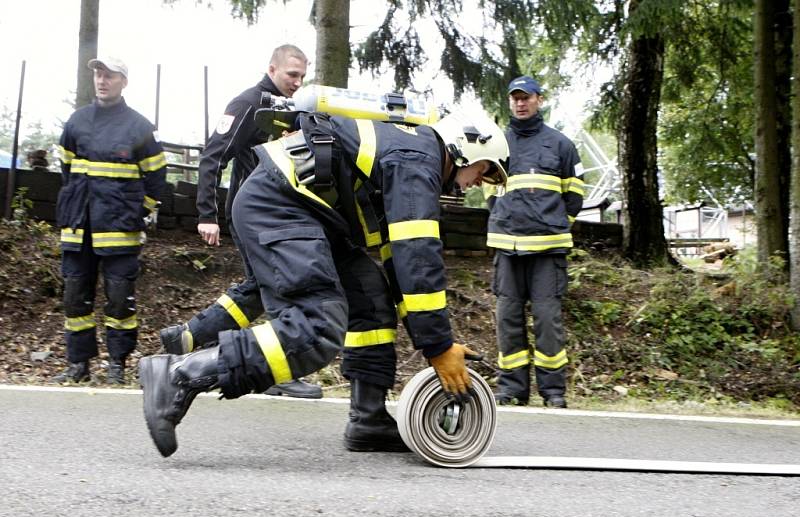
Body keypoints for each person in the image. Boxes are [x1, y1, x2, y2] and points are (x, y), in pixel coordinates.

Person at [138, 108, 510, 458]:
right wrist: (438, 345)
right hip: (279, 204)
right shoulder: (418, 161)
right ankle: (180, 375)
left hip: (305, 212)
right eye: (484, 170)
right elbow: (418, 255)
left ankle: (369, 419)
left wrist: (433, 342)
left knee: (370, 298)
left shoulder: (409, 155)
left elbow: (400, 266)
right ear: (467, 146)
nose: (479, 182)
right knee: (318, 324)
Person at [158, 44, 321, 399]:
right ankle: (280, 370)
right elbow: (212, 157)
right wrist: (206, 215)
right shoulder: (248, 104)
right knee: (280, 286)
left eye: (302, 77)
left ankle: (187, 337)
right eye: (292, 74)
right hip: (254, 215)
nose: (297, 82)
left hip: (280, 215)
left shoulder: (291, 109)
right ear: (272, 69)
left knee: (261, 287)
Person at [52, 56, 166, 385]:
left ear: (123, 81)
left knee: (119, 300)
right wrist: (76, 204)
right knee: (75, 297)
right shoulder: (76, 122)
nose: (102, 80)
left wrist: (137, 212)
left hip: (119, 231)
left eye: (110, 75)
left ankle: (117, 364)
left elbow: (157, 179)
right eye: (99, 74)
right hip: (78, 227)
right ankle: (78, 365)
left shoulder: (139, 127)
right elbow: (67, 171)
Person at [486, 76, 584, 408]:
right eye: (515, 98)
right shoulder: (497, 144)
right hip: (508, 248)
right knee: (507, 319)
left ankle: (553, 392)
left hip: (547, 250)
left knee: (547, 322)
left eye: (526, 97)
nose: (520, 103)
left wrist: (554, 225)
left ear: (539, 100)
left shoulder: (561, 145)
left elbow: (575, 195)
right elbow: (490, 192)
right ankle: (512, 389)